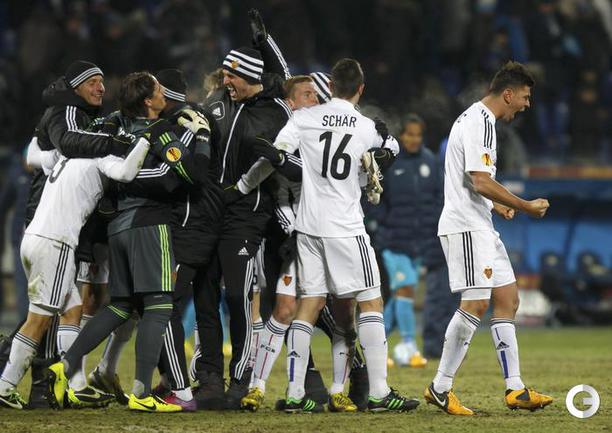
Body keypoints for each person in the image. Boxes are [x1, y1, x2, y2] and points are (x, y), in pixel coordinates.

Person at [47, 71, 203, 413]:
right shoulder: (159, 130)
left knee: (120, 306)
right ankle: (141, 392)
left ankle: (65, 365)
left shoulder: (113, 125)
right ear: (148, 101)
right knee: (159, 306)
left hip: (116, 226)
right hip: (148, 224)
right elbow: (188, 175)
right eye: (159, 90)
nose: (164, 94)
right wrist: (195, 136)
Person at [274, 58, 419, 413]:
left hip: (308, 226)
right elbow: (392, 147)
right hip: (345, 228)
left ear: (329, 87)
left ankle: (295, 394)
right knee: (370, 302)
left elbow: (279, 152)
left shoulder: (304, 118)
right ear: (361, 89)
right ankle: (379, 392)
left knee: (309, 305)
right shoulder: (365, 126)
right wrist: (382, 151)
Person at [424, 61, 553, 415]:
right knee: (476, 304)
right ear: (508, 94)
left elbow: (473, 180)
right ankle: (440, 387)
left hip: (480, 222)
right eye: (524, 97)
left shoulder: (478, 120)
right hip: (466, 226)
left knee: (508, 299)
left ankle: (515, 389)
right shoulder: (480, 122)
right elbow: (480, 180)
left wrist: (495, 203)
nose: (526, 105)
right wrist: (524, 205)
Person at [0, 117, 150, 410]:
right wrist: (146, 140)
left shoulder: (64, 156)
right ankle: (6, 384)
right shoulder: (101, 157)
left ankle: (75, 384)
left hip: (33, 238)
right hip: (56, 243)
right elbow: (127, 172)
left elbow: (32, 154)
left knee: (72, 310)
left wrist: (40, 130)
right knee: (39, 320)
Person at [193, 44, 292, 410]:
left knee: (237, 296)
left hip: (246, 215)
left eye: (231, 76)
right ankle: (209, 378)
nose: (225, 81)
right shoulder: (216, 102)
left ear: (250, 77)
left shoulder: (276, 112)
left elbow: (277, 161)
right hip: (209, 212)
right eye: (224, 75)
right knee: (205, 294)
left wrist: (240, 190)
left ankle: (241, 377)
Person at [373, 114, 438, 368]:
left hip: (419, 241)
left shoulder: (430, 161)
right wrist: (381, 225)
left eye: (418, 135)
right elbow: (376, 196)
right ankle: (409, 345)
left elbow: (438, 198)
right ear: (402, 135)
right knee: (406, 288)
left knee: (401, 295)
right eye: (410, 134)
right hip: (393, 240)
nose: (414, 139)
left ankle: (375, 344)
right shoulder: (391, 161)